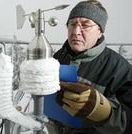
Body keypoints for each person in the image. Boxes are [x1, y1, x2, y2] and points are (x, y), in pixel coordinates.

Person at [52, 0, 132, 134]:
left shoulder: (120, 70)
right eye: (72, 24)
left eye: (85, 25)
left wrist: (104, 112)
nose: (76, 31)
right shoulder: (58, 57)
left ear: (100, 31)